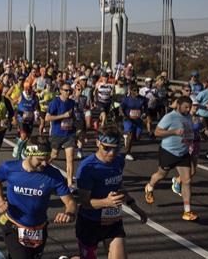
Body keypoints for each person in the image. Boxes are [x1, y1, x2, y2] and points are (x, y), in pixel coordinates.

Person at [0, 136, 77, 259]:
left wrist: (69, 213)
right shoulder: (9, 168)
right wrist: (0, 201)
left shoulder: (53, 175)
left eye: (47, 158)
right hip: (14, 227)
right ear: (29, 155)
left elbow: (70, 202)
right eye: (40, 159)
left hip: (39, 231)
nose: (45, 163)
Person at [75, 125, 148, 259]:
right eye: (106, 148)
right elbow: (84, 202)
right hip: (90, 222)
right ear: (98, 143)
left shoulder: (119, 161)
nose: (111, 153)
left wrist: (134, 205)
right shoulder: (87, 167)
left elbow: (118, 185)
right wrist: (106, 202)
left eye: (116, 149)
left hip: (112, 221)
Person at [144, 96, 197, 221]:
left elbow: (188, 131)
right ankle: (149, 187)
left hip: (183, 153)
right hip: (168, 152)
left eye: (189, 107)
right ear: (178, 105)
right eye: (186, 107)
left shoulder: (188, 116)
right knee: (161, 175)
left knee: (187, 180)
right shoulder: (170, 117)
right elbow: (157, 132)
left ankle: (187, 211)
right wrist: (173, 132)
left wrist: (190, 142)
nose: (188, 110)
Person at [45, 83, 77, 188]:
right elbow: (47, 118)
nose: (68, 92)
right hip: (57, 134)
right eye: (66, 90)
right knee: (54, 155)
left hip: (69, 134)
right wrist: (63, 116)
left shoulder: (72, 103)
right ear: (61, 91)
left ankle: (70, 184)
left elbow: (73, 117)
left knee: (70, 159)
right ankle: (41, 167)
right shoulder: (55, 102)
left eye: (70, 91)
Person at [119, 83, 146, 161]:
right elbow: (121, 108)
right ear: (130, 91)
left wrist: (145, 114)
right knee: (130, 136)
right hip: (128, 120)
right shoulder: (126, 99)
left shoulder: (142, 99)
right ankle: (127, 153)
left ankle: (127, 137)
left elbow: (146, 108)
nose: (137, 92)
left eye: (138, 90)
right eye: (135, 90)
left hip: (138, 121)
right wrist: (124, 116)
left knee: (137, 138)